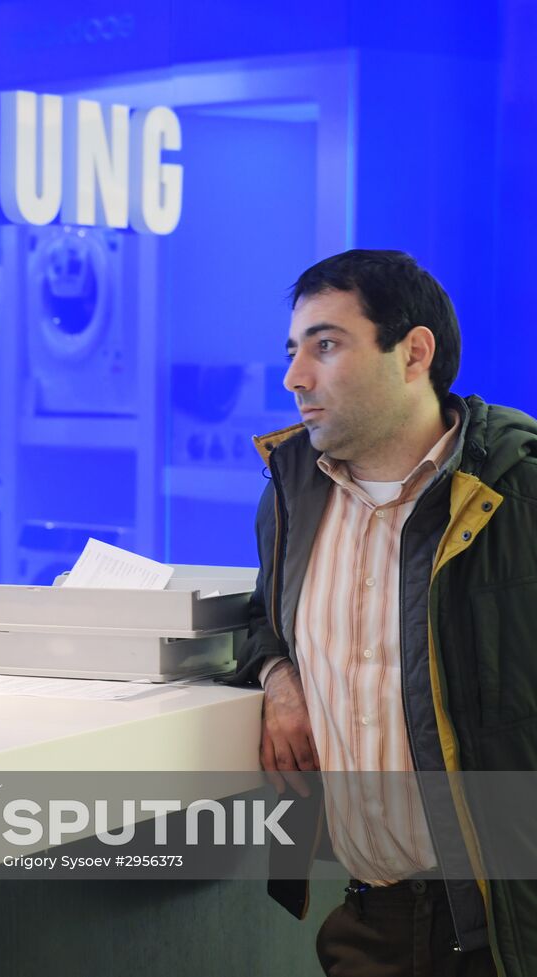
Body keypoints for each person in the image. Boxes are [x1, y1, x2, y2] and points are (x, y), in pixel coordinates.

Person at [234, 250, 537, 976]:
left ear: (415, 353)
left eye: (326, 344)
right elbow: (262, 619)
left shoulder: (518, 493)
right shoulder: (292, 494)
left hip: (508, 929)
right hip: (372, 920)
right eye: (292, 349)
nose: (294, 377)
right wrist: (279, 679)